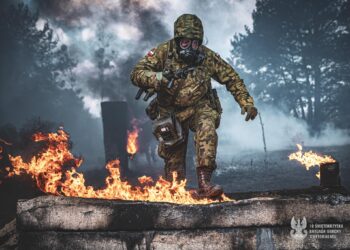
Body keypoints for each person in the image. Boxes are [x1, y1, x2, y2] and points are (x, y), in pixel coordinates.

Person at [130, 14, 257, 198]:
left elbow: (232, 78)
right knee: (173, 160)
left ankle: (205, 184)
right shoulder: (163, 52)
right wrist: (157, 78)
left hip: (200, 106)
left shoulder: (207, 57)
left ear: (199, 42)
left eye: (194, 43)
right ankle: (177, 192)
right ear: (177, 39)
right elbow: (136, 73)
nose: (190, 48)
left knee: (207, 128)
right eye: (185, 43)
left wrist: (246, 102)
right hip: (170, 111)